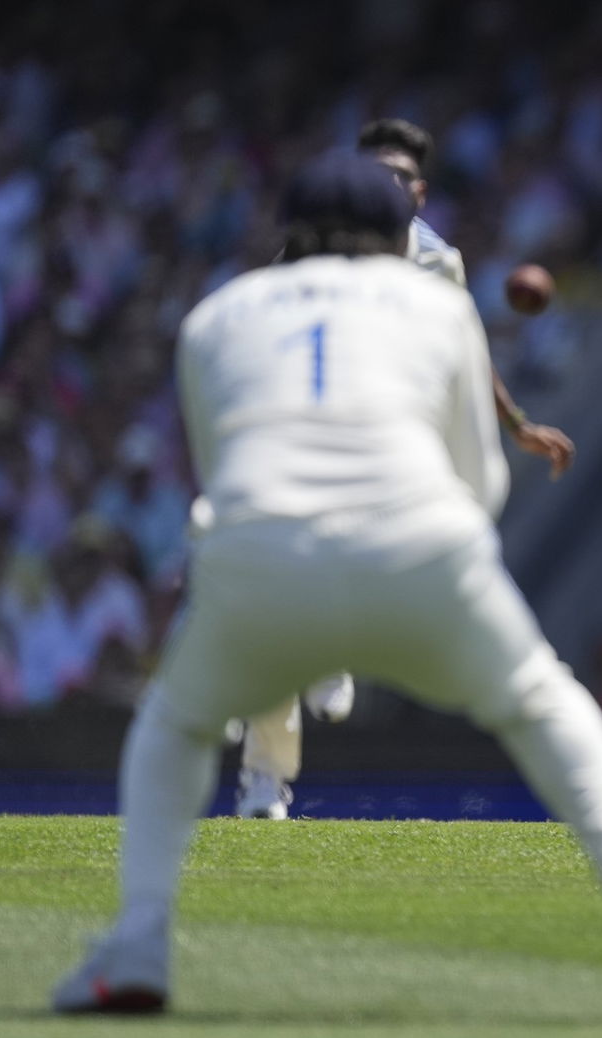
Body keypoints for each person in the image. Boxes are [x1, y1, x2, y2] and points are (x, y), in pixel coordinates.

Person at [50, 153, 602, 1017]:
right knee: (545, 703)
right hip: (420, 547)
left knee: (173, 725)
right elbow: (481, 486)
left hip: (261, 560)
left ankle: (138, 942)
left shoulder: (220, 314)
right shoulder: (436, 307)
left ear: (285, 235)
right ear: (398, 235)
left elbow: (223, 482)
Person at [234, 118, 576, 818]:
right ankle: (265, 778)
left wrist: (518, 427)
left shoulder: (438, 264)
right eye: (372, 175)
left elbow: (468, 352)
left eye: (398, 178)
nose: (383, 189)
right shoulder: (305, 255)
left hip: (393, 444)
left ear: (419, 193)